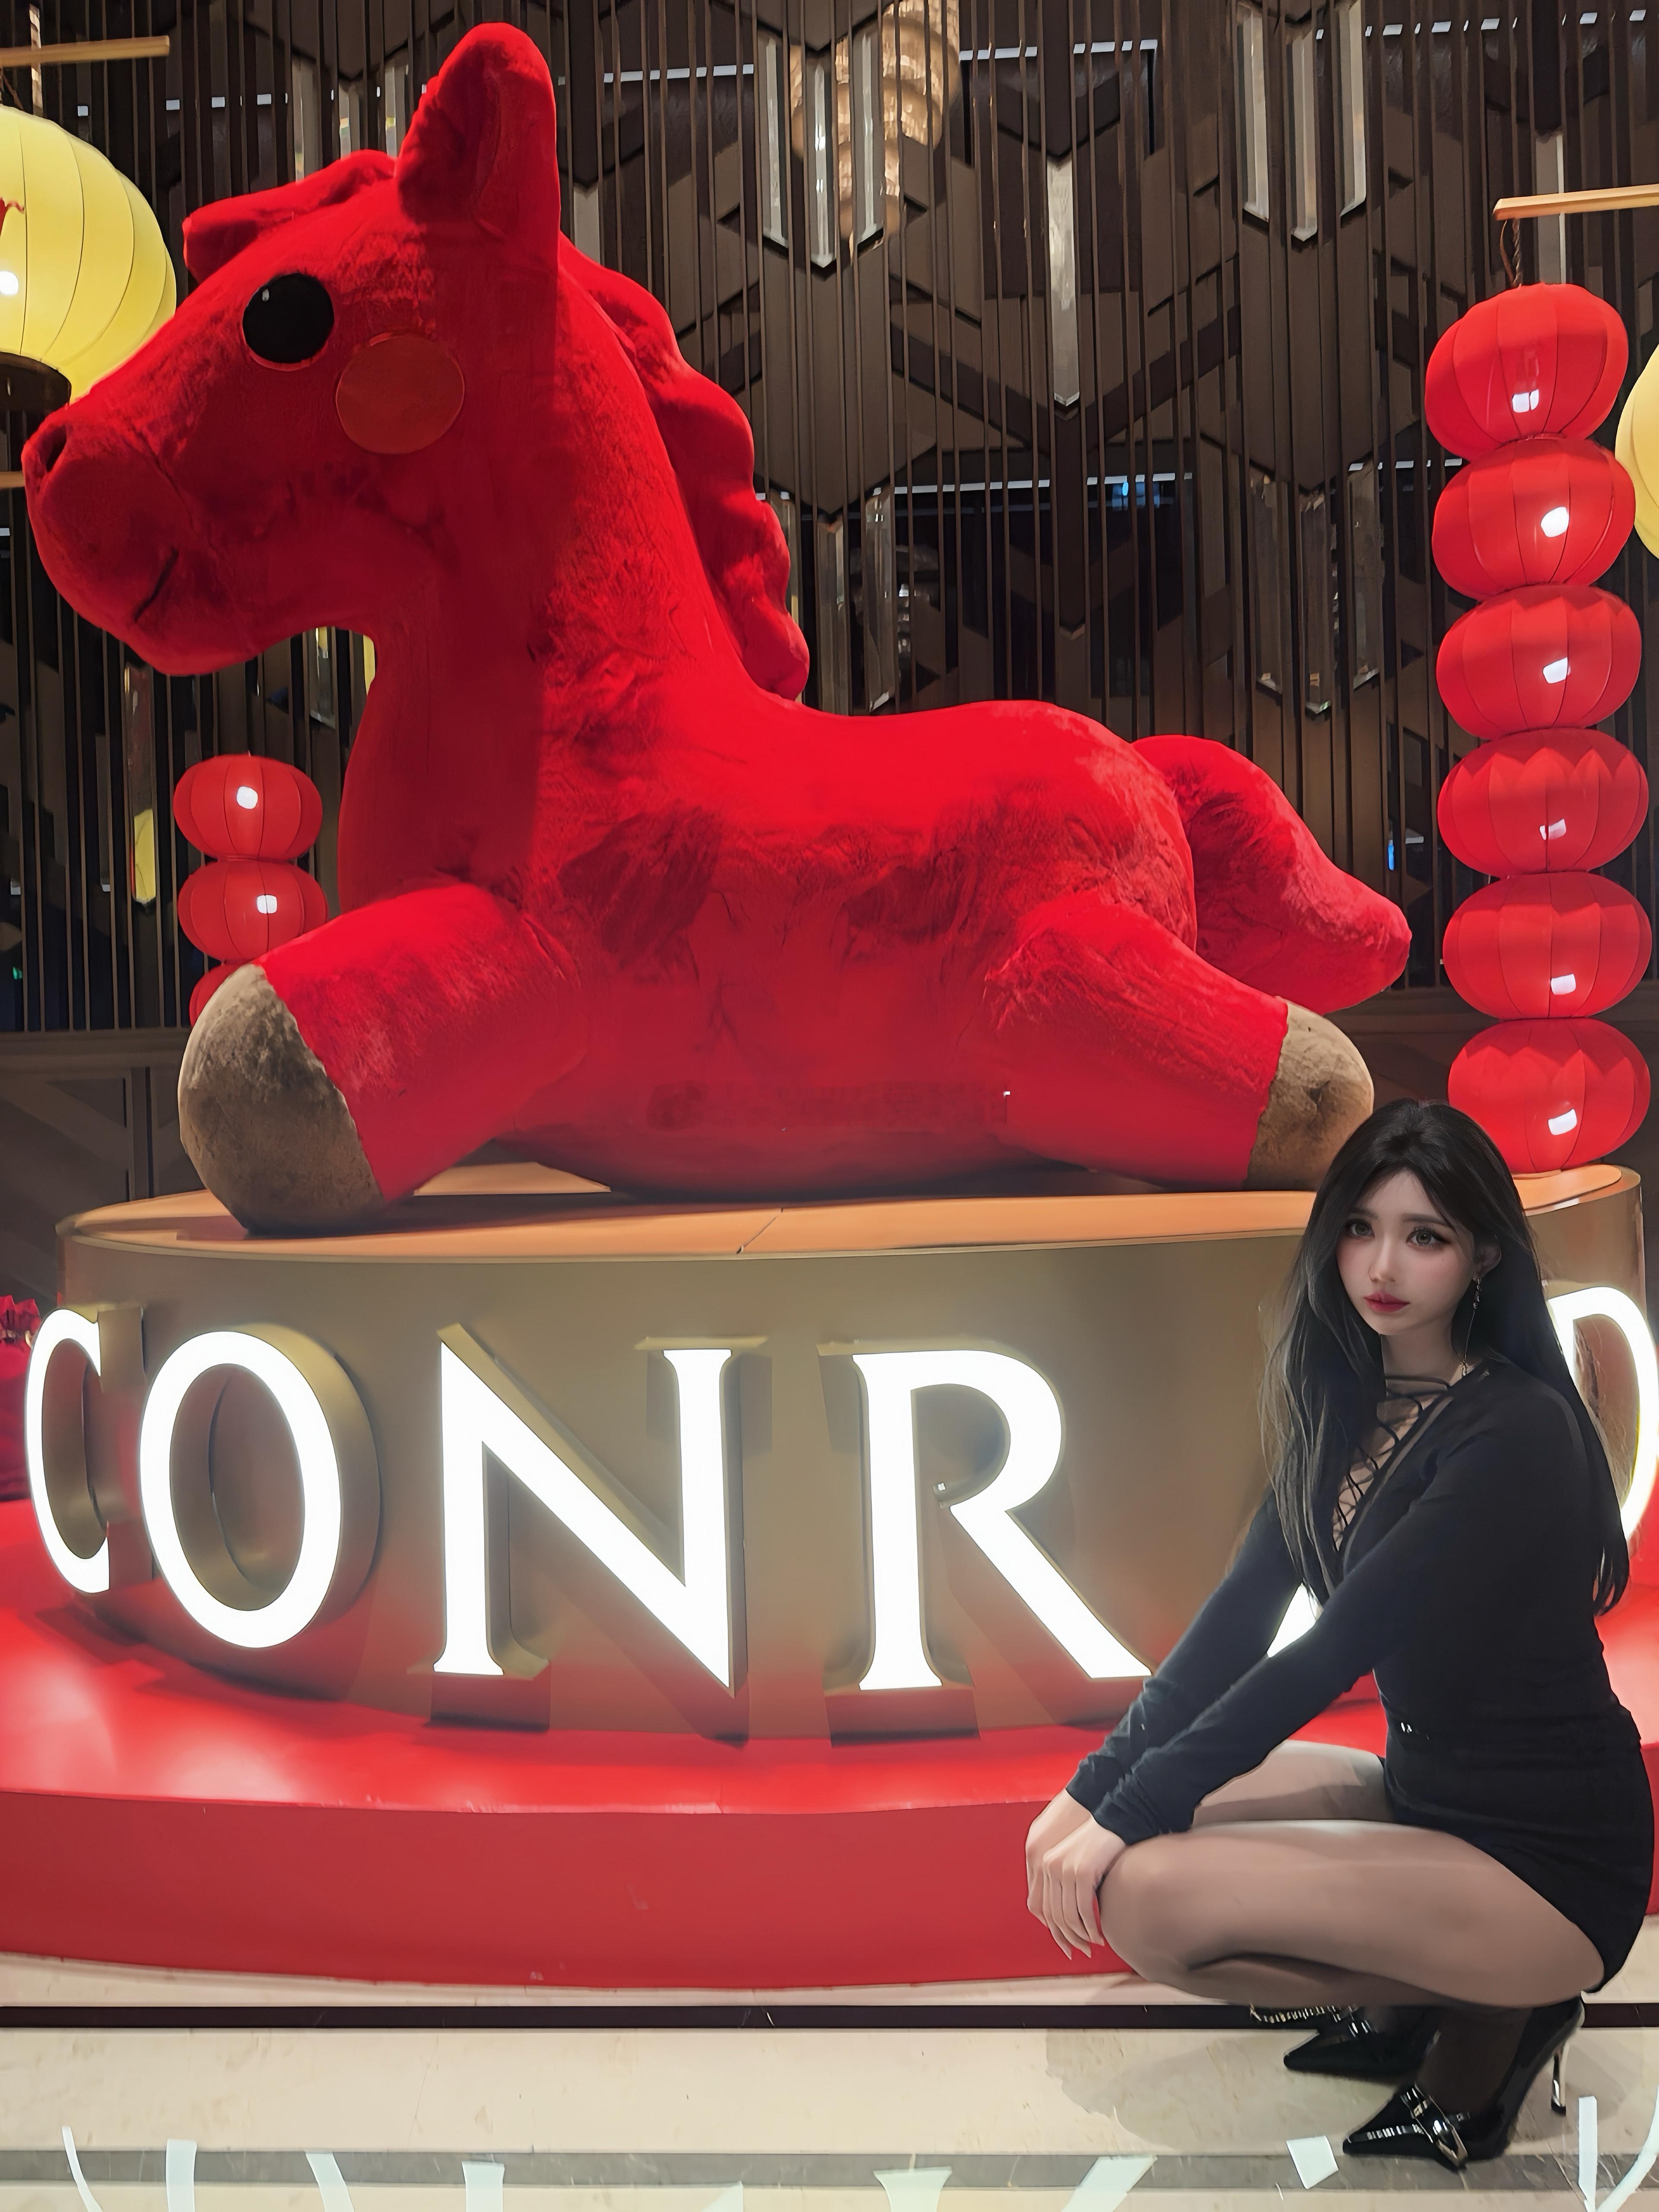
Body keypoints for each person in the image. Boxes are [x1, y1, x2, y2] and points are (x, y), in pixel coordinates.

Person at [1024, 1098, 1653, 2169]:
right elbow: (1234, 1627)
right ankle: (1438, 1989)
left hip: (1546, 1859)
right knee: (1146, 1822)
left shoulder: (1517, 1427)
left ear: (1483, 1256)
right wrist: (1092, 1789)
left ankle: (1503, 2001)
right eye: (1361, 1227)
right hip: (1423, 1796)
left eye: (1425, 1236)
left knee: (1144, 1897)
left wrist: (1125, 1814)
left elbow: (1329, 1651)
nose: (1382, 1266)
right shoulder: (1347, 1403)